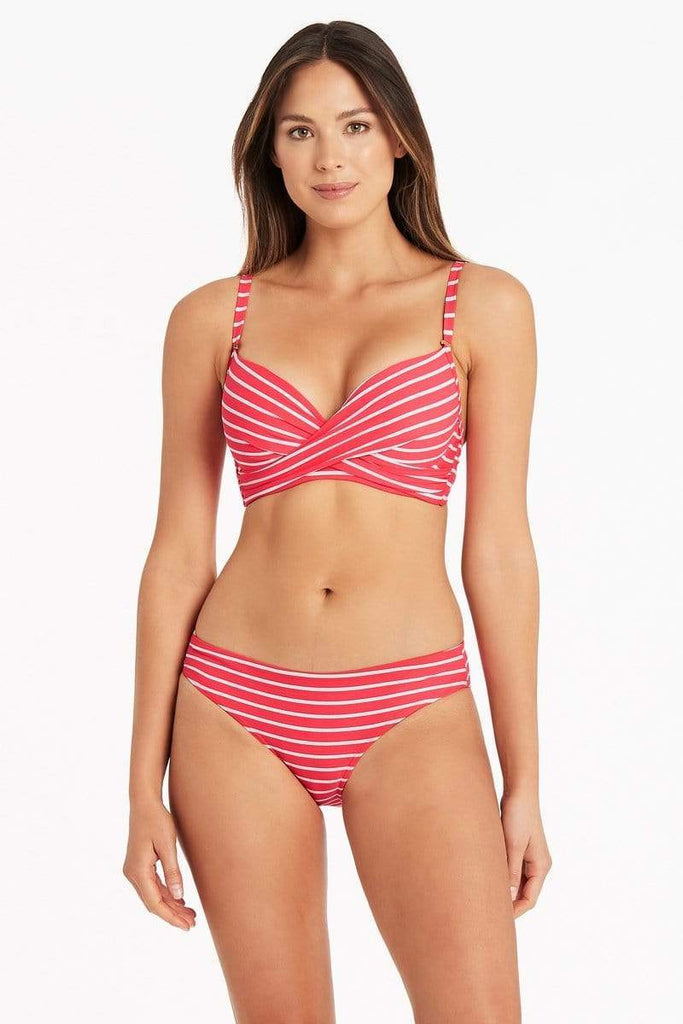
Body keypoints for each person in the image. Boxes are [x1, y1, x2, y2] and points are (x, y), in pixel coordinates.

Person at [123, 20, 551, 1023]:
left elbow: (497, 550)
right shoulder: (212, 318)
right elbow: (177, 553)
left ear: (398, 137)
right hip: (232, 706)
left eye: (355, 126)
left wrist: (523, 778)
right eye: (299, 131)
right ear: (268, 151)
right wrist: (142, 783)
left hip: (411, 705)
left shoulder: (481, 306)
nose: (330, 157)